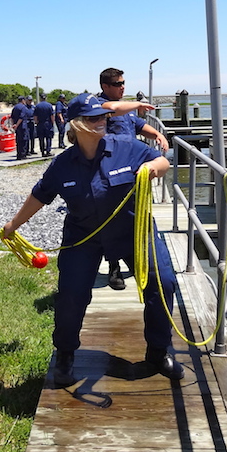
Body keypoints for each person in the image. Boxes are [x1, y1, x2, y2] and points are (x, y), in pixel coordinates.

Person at [2, 93, 183, 387]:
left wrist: (153, 169)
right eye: (92, 118)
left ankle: (158, 352)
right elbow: (40, 195)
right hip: (83, 237)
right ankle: (65, 354)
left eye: (102, 117)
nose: (100, 122)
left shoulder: (126, 146)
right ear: (75, 124)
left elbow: (162, 162)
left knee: (162, 282)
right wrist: (13, 225)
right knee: (71, 294)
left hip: (134, 232)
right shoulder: (62, 164)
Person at [98, 67, 169, 291]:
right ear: (105, 86)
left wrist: (157, 134)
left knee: (137, 217)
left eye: (123, 83)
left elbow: (138, 125)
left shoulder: (126, 109)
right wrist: (138, 105)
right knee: (112, 220)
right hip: (111, 172)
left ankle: (137, 259)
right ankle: (113, 266)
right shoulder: (99, 106)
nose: (122, 87)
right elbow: (113, 109)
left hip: (134, 171)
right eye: (118, 84)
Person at [10, 96, 29, 160]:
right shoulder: (23, 107)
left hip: (17, 128)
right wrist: (17, 125)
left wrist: (13, 125)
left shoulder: (15, 107)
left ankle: (18, 155)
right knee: (24, 141)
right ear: (23, 100)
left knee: (18, 141)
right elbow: (21, 117)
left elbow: (12, 117)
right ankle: (22, 155)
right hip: (22, 126)